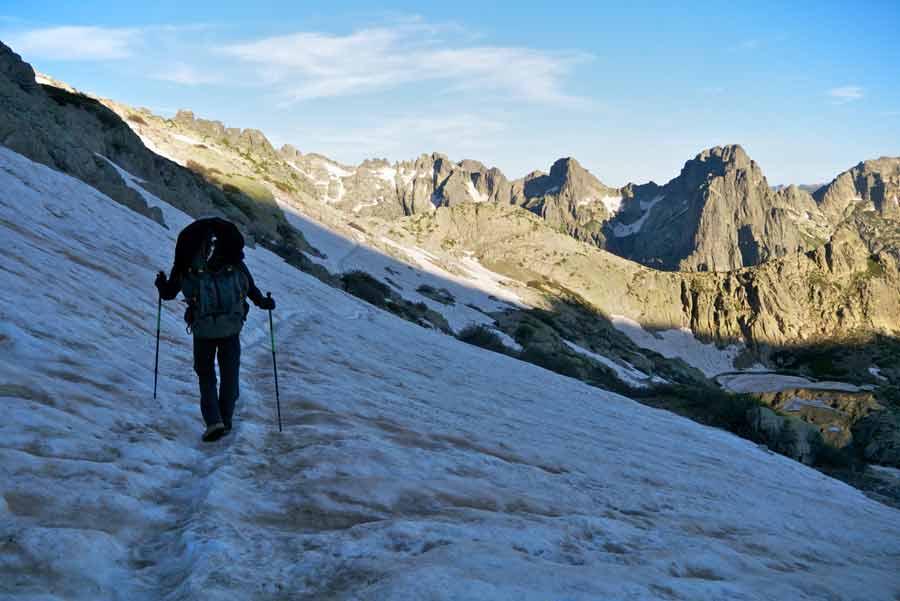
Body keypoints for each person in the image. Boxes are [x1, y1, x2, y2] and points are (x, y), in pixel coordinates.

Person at [155, 218, 275, 442]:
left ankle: (213, 421)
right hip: (231, 326)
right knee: (230, 373)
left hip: (203, 329)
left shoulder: (186, 260)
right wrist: (265, 303)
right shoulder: (232, 258)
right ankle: (226, 420)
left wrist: (161, 283)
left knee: (206, 374)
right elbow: (251, 289)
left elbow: (169, 293)